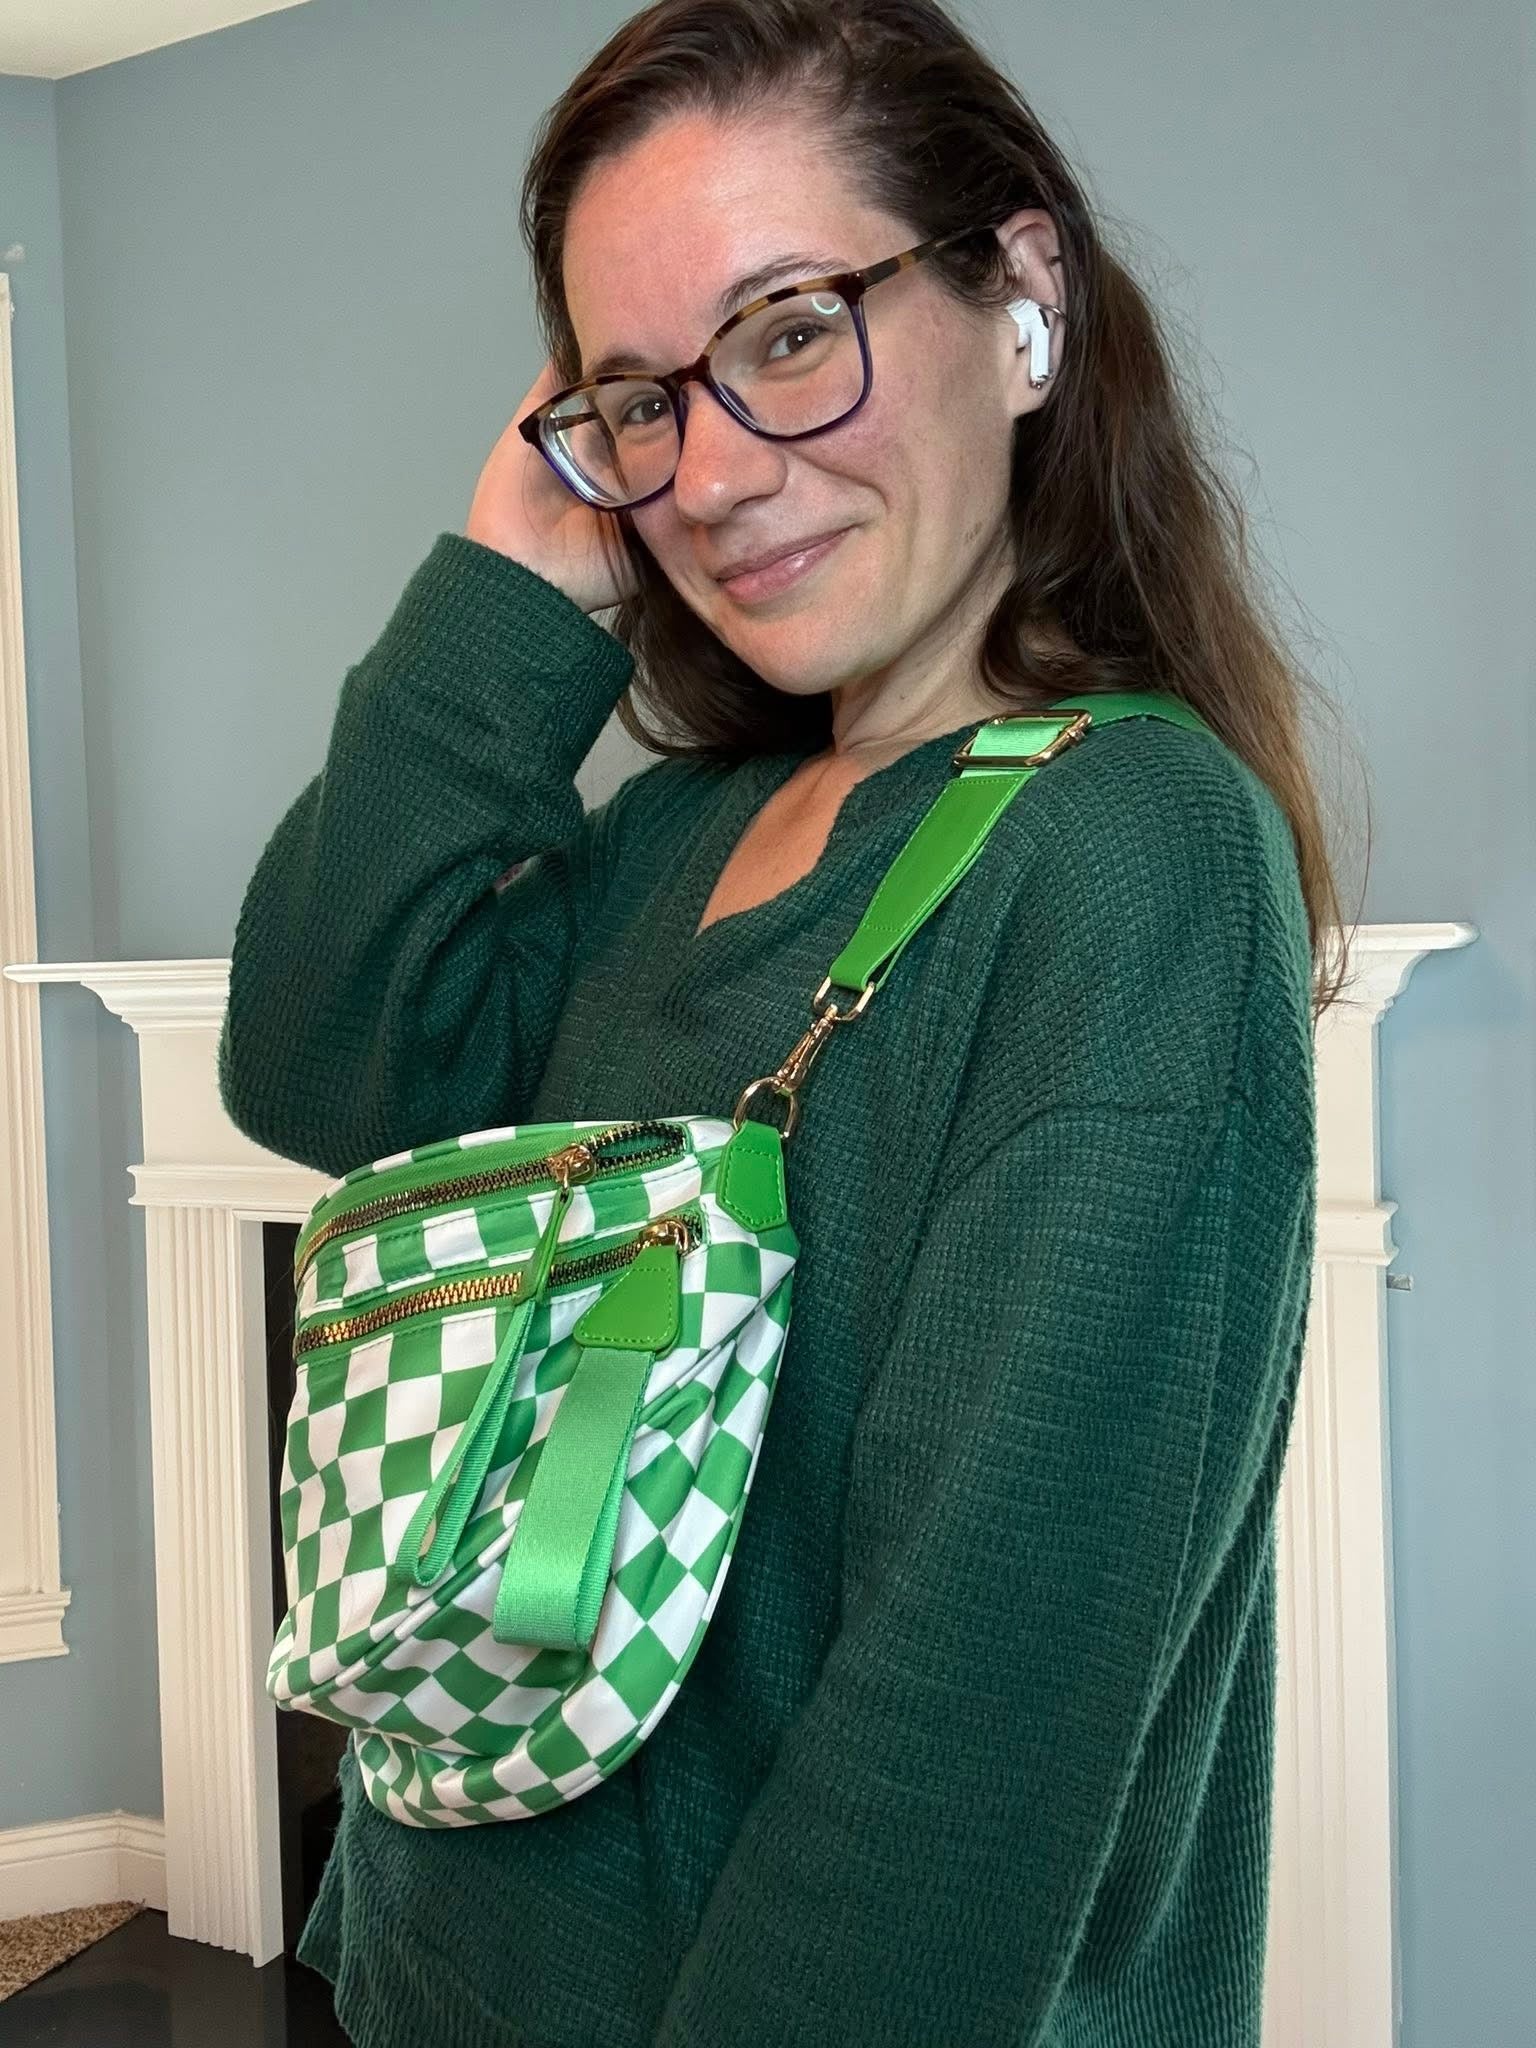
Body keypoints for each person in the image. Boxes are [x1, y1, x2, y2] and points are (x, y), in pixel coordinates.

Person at [218, 2, 1358, 2042]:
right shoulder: (678, 833)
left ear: (1022, 299)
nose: (719, 474)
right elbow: (322, 1066)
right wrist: (507, 581)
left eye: (791, 331)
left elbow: (967, 1720)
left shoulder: (1131, 851)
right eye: (642, 399)